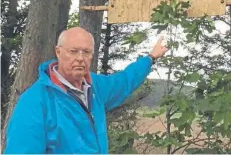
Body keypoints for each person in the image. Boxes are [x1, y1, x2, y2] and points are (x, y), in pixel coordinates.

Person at [4, 26, 168, 154]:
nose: (80, 58)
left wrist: (150, 58)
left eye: (86, 52)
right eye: (73, 51)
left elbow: (123, 82)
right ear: (58, 52)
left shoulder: (95, 86)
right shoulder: (35, 101)